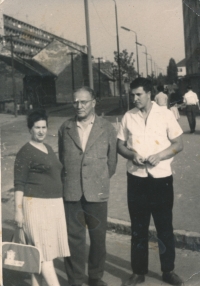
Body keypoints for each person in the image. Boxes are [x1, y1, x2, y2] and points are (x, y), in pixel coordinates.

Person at [117, 78, 183, 286]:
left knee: (164, 226)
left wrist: (160, 156)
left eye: (138, 94)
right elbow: (120, 145)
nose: (134, 98)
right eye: (132, 94)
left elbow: (178, 144)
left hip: (161, 179)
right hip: (136, 179)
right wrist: (131, 154)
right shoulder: (129, 117)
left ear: (149, 94)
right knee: (138, 227)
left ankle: (168, 271)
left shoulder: (165, 114)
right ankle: (138, 272)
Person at [58, 86, 117, 286]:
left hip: (97, 191)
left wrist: (97, 179)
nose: (79, 106)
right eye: (75, 102)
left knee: (98, 238)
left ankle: (95, 277)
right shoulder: (64, 127)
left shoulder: (107, 128)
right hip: (72, 191)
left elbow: (112, 162)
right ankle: (74, 279)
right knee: (73, 238)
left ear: (93, 103)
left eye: (83, 102)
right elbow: (62, 159)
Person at [14, 109, 70, 286]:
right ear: (30, 129)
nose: (41, 131)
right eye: (37, 127)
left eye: (44, 127)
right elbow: (19, 184)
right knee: (43, 254)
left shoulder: (48, 148)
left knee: (40, 255)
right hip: (35, 206)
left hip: (53, 206)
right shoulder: (25, 152)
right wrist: (18, 212)